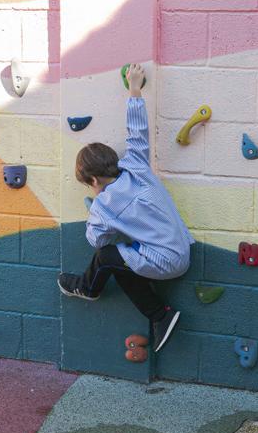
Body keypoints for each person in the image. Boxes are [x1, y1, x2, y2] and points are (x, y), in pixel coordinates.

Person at [58, 63, 194, 353]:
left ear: (94, 180)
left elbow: (96, 241)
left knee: (108, 255)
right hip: (182, 249)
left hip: (164, 262)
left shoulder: (104, 205)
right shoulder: (136, 166)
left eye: (89, 185)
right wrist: (135, 88)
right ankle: (160, 315)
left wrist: (96, 212)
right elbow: (137, 131)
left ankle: (88, 287)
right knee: (120, 261)